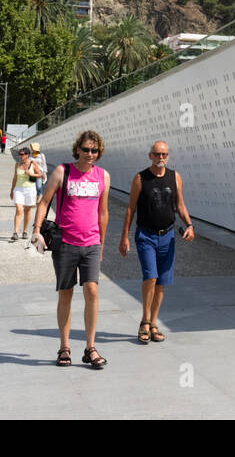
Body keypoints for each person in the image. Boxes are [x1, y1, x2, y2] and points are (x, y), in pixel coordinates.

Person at [33, 131, 110, 369]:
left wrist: (102, 244)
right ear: (77, 149)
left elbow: (103, 213)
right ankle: (64, 347)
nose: (90, 155)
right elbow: (44, 202)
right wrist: (36, 231)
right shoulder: (62, 172)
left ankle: (90, 347)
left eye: (94, 151)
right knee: (65, 293)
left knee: (92, 291)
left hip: (91, 243)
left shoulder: (103, 176)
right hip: (65, 242)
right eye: (86, 150)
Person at [120, 140, 193, 344]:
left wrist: (189, 225)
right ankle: (144, 320)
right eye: (157, 154)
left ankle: (153, 323)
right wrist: (124, 236)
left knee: (161, 282)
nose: (161, 158)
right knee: (150, 277)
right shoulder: (140, 178)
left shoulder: (174, 176)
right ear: (150, 156)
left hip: (168, 236)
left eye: (164, 155)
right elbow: (130, 209)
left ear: (167, 156)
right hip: (146, 236)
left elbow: (180, 205)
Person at [8, 147, 42, 242]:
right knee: (19, 209)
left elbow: (40, 175)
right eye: (19, 154)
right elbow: (15, 178)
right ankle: (15, 232)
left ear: (27, 155)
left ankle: (25, 231)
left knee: (27, 211)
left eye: (22, 154)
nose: (20, 156)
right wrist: (12, 190)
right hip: (19, 189)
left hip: (30, 189)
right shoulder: (17, 164)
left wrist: (31, 174)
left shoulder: (32, 163)